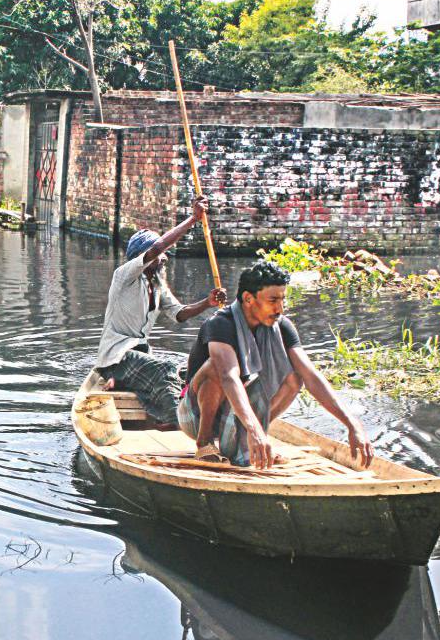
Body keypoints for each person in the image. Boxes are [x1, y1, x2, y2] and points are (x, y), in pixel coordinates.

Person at [179, 259, 374, 469]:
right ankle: (205, 443)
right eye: (273, 300)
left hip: (240, 414)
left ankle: (257, 437)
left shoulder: (281, 326)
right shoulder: (220, 323)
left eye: (282, 300)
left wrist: (352, 424)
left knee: (295, 376)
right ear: (248, 299)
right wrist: (253, 430)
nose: (279, 308)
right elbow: (229, 377)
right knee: (216, 366)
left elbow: (310, 375)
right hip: (195, 416)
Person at [94, 196, 227, 423]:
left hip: (140, 355)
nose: (164, 259)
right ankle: (179, 421)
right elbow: (158, 248)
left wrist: (208, 302)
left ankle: (189, 411)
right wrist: (192, 219)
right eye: (159, 256)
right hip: (116, 358)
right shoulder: (124, 276)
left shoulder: (156, 283)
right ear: (144, 258)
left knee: (187, 371)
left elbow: (179, 314)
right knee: (165, 368)